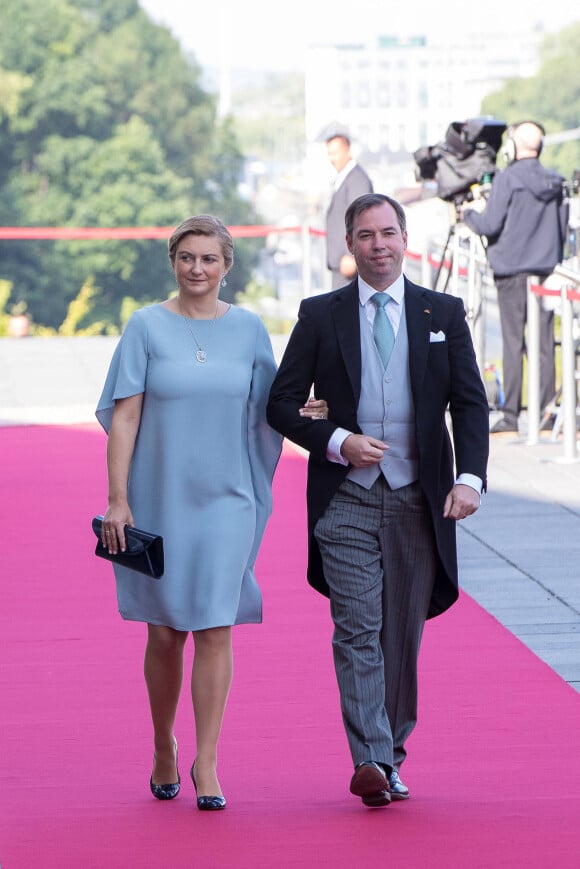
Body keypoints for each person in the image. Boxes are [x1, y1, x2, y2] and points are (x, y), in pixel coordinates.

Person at [95, 215, 327, 810]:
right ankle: (162, 745)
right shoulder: (145, 326)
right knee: (167, 630)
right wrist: (118, 498)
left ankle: (208, 761)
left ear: (228, 267)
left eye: (209, 259)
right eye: (187, 257)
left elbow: (275, 406)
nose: (197, 269)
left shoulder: (250, 330)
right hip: (158, 497)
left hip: (229, 499)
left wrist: (319, 412)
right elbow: (123, 416)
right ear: (173, 261)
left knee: (216, 626)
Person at [267, 193, 489, 808]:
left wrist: (469, 478)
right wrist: (337, 440)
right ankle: (370, 758)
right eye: (365, 235)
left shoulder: (441, 310)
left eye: (388, 233)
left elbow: (469, 403)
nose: (379, 245)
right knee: (357, 629)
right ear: (349, 244)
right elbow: (281, 402)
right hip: (346, 502)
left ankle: (391, 755)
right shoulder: (320, 314)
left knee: (402, 637)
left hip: (421, 499)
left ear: (405, 237)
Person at [462, 121, 568, 434]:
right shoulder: (555, 182)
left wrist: (468, 214)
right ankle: (547, 411)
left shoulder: (507, 179)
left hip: (511, 271)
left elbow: (489, 224)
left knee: (513, 341)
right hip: (545, 273)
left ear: (513, 148)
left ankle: (511, 414)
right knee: (545, 343)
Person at [325, 132, 373, 289]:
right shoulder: (345, 177)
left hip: (349, 262)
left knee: (349, 311)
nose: (332, 158)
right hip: (341, 262)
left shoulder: (357, 179)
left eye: (335, 153)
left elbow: (361, 219)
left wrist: (351, 255)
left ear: (347, 150)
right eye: (329, 154)